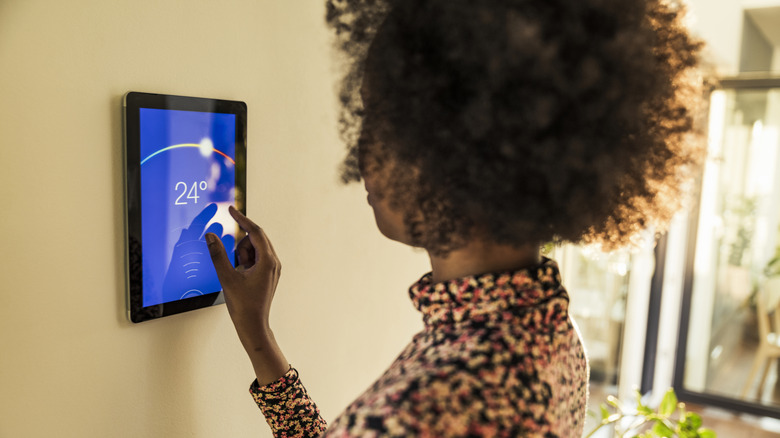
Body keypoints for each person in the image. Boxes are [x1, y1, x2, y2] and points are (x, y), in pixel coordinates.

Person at [205, 0, 704, 436]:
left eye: (380, 119)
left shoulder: (429, 404)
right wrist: (259, 337)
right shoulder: (550, 337)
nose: (361, 153)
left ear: (449, 147)